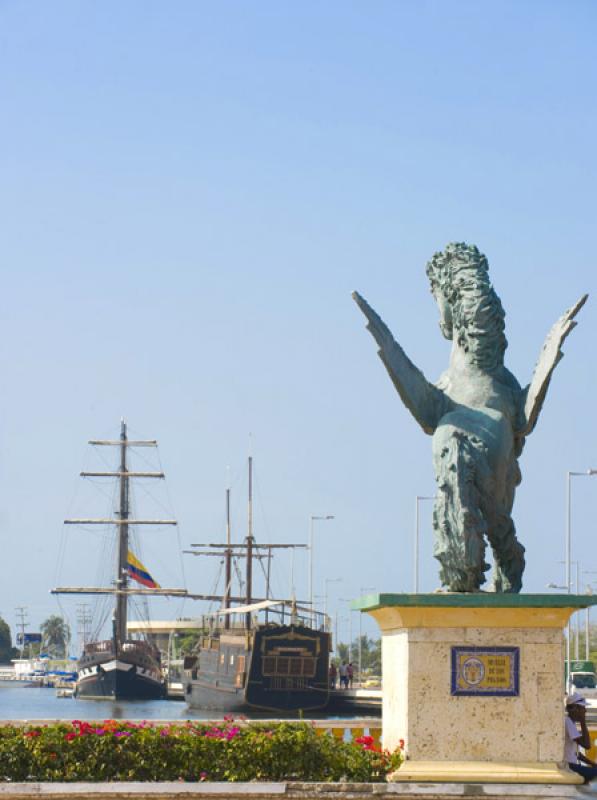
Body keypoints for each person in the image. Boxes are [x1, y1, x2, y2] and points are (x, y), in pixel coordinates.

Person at [565, 692, 597, 783]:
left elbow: (576, 754)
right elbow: (587, 745)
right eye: (583, 708)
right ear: (575, 708)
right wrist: (583, 721)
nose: (585, 711)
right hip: (570, 766)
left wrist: (592, 764)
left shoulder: (570, 723)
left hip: (572, 765)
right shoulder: (567, 722)